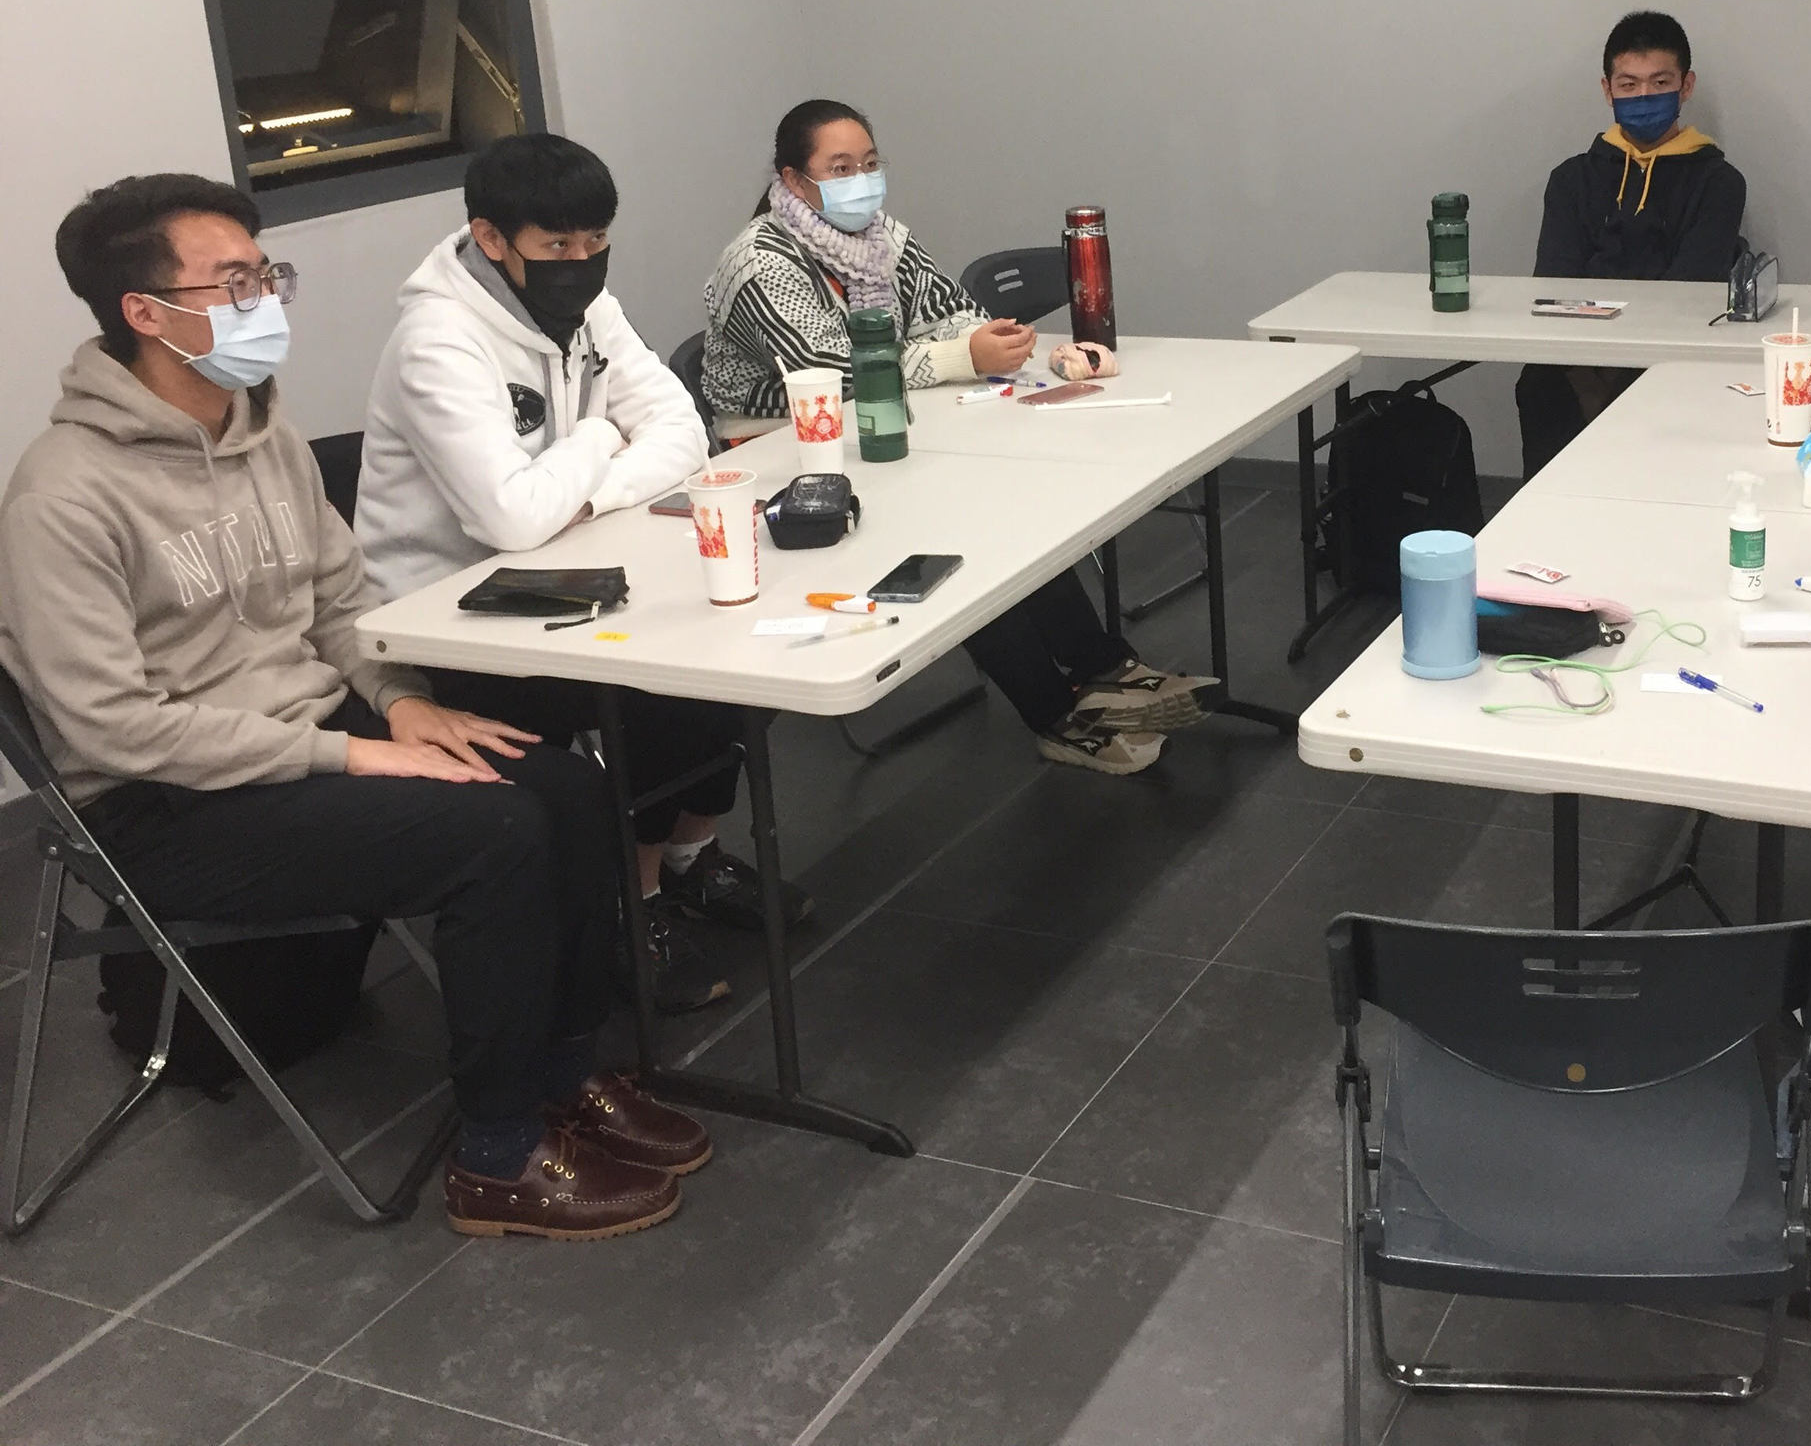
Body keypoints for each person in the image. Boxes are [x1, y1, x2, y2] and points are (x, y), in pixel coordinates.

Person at [0, 174, 710, 1240]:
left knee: (564, 790)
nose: (263, 300)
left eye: (265, 274)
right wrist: (351, 754)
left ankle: (567, 1075)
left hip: (306, 734)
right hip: (164, 800)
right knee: (495, 835)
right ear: (144, 311)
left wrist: (398, 701)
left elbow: (341, 606)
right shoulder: (63, 494)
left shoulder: (262, 432)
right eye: (233, 282)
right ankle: (498, 1155)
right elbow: (114, 727)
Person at [357, 132, 806, 1018]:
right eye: (557, 244)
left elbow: (682, 434)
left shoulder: (588, 308)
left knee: (733, 648)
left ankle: (691, 859)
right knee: (663, 690)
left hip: (571, 569)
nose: (583, 261)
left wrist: (585, 494)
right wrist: (602, 436)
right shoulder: (437, 342)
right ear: (491, 239)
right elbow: (511, 519)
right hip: (454, 619)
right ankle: (631, 909)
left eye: (597, 240)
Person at [701, 98, 1213, 775]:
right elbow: (832, 373)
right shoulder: (760, 261)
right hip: (784, 453)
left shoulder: (880, 237)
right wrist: (958, 356)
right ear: (795, 180)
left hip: (886, 421)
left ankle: (1103, 669)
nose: (862, 181)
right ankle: (1054, 714)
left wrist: (988, 340)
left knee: (1006, 513)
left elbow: (952, 312)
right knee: (957, 536)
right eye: (841, 168)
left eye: (870, 164)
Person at [1516, 10, 1745, 478]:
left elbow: (1689, 293)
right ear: (1608, 90)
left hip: (1669, 357)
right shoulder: (1571, 180)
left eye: (1660, 83)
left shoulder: (1719, 183)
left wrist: (1617, 381)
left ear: (1686, 86)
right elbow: (1554, 288)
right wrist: (1590, 381)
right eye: (1629, 85)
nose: (1644, 97)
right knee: (1537, 384)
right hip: (1576, 359)